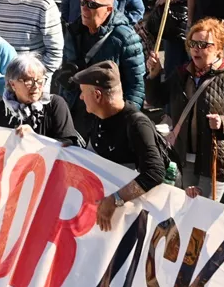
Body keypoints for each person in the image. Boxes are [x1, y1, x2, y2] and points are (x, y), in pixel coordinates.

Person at [144, 17, 224, 200]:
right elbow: (156, 99)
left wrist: (223, 122)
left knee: (204, 214)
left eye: (204, 45)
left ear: (219, 48)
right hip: (186, 158)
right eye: (193, 43)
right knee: (188, 208)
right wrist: (155, 75)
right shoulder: (182, 73)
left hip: (216, 162)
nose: (197, 48)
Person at [72, 61, 168, 230]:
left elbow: (155, 172)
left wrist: (116, 199)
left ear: (97, 95)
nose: (80, 97)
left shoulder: (137, 125)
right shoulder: (96, 116)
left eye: (82, 92)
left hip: (133, 222)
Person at [59, 0, 145, 123]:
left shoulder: (125, 37)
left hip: (107, 115)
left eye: (92, 5)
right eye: (82, 2)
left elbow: (136, 86)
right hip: (76, 111)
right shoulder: (74, 31)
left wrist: (124, 121)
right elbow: (67, 68)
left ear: (109, 9)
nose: (85, 9)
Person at [0, 53, 78, 145]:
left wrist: (35, 138)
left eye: (39, 80)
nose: (35, 86)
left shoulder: (55, 104)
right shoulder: (0, 110)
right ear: (12, 84)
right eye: (28, 81)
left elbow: (68, 144)